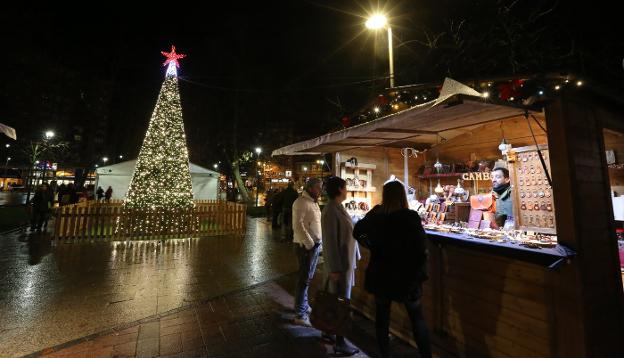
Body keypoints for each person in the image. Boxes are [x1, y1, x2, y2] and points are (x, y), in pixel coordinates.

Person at [353, 180, 431, 358]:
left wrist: (370, 245)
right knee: (417, 319)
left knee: (382, 318)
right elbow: (420, 248)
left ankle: (384, 354)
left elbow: (357, 231)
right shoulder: (410, 217)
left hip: (382, 274)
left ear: (385, 195)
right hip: (407, 275)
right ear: (403, 195)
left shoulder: (377, 216)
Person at [321, 176, 360, 356]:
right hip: (340, 266)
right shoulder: (330, 211)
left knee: (337, 301)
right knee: (340, 303)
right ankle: (340, 342)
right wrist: (335, 268)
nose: (347, 190)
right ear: (338, 189)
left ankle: (329, 331)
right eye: (345, 187)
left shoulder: (338, 207)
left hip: (345, 262)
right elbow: (330, 242)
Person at [291, 177, 322, 326]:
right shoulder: (301, 202)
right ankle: (300, 314)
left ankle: (302, 305)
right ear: (310, 188)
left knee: (307, 278)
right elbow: (298, 225)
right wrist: (310, 244)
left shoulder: (312, 203)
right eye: (317, 187)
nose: (320, 190)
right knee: (304, 279)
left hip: (312, 246)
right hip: (305, 247)